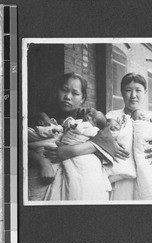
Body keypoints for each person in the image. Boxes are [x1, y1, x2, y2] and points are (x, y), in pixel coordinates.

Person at [28, 72, 117, 201]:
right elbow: (22, 142)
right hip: (47, 174)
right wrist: (42, 162)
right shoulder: (43, 116)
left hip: (79, 182)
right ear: (56, 91)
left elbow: (107, 140)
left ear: (82, 99)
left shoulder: (89, 116)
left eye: (75, 93)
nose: (68, 97)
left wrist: (71, 151)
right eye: (64, 90)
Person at [106, 73, 152, 200]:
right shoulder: (112, 116)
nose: (133, 95)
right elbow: (101, 139)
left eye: (138, 90)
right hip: (123, 178)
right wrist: (109, 143)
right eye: (128, 90)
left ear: (145, 92)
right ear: (122, 92)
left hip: (149, 176)